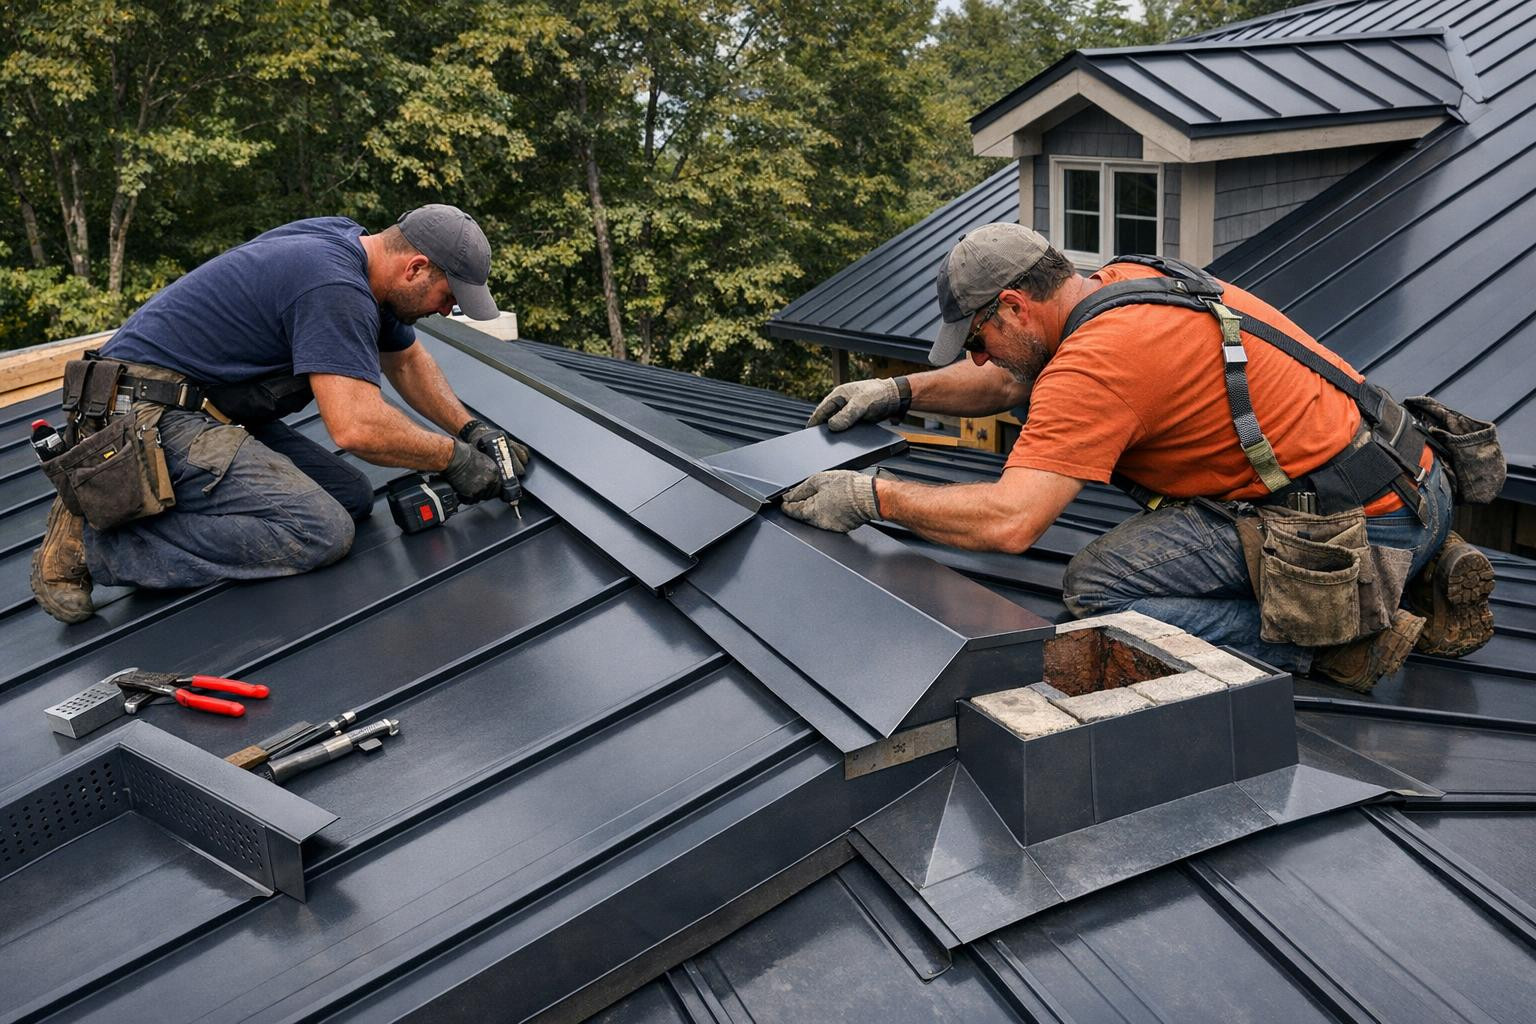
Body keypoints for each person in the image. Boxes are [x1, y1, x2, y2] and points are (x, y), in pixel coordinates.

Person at [782, 223, 1496, 691]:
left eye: (975, 337)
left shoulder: (1096, 365)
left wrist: (872, 496)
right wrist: (898, 390)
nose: (975, 356)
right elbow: (1008, 376)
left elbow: (1011, 522)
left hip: (1365, 522)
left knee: (1097, 592)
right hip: (1413, 478)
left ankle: (1338, 635)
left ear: (1013, 307)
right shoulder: (1123, 283)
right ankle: (1421, 562)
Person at [31, 204, 526, 624]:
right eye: (449, 296)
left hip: (196, 405)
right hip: (141, 416)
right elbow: (354, 427)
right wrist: (453, 459)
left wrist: (471, 430)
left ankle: (144, 505)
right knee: (320, 532)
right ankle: (90, 544)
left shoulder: (350, 246)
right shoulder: (333, 286)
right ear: (416, 268)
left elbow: (406, 359)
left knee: (350, 496)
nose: (446, 311)